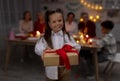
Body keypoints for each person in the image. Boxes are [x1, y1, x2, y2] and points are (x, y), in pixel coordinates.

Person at [35, 9, 81, 81]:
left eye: (59, 21)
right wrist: (43, 51)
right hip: (51, 68)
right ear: (49, 24)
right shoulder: (46, 37)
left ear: (63, 21)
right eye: (54, 22)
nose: (57, 23)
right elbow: (37, 48)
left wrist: (69, 46)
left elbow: (77, 47)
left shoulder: (67, 36)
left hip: (65, 67)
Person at [78, 12, 96, 79]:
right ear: (81, 18)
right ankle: (85, 58)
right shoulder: (80, 24)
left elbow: (93, 34)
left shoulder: (92, 23)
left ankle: (87, 60)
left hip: (90, 39)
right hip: (83, 40)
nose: (85, 18)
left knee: (87, 52)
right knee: (81, 49)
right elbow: (80, 32)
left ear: (88, 17)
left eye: (86, 17)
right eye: (83, 17)